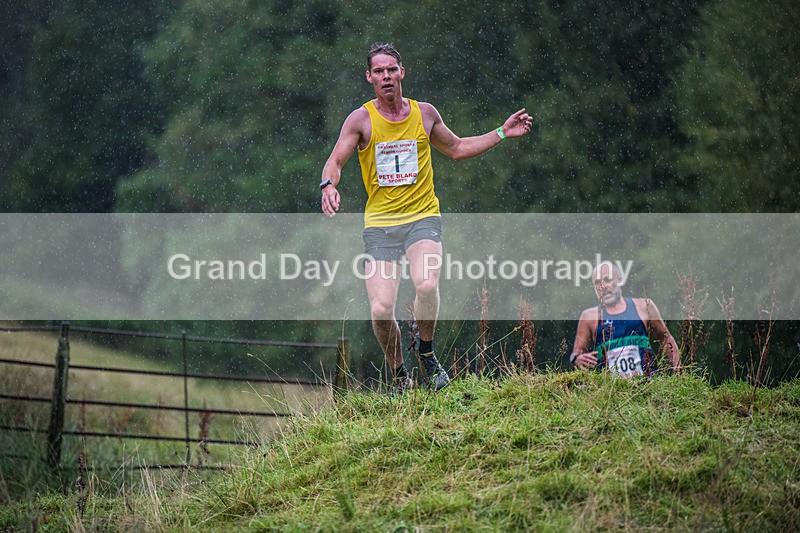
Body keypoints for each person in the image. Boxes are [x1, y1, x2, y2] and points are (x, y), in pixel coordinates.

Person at [320, 43, 533, 391]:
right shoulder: (360, 120)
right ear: (369, 77)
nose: (386, 76)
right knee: (380, 308)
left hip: (422, 217)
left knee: (427, 284)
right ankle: (400, 374)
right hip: (381, 226)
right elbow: (335, 161)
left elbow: (458, 148)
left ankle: (427, 354)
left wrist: (501, 133)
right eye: (379, 71)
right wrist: (328, 184)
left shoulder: (424, 114)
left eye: (392, 69)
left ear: (402, 72)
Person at [571, 262, 680, 376]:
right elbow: (576, 355)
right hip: (609, 391)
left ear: (619, 279)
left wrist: (679, 371)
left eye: (607, 279)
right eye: (597, 283)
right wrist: (577, 359)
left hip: (647, 386)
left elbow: (666, 339)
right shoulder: (589, 316)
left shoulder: (644, 306)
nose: (603, 286)